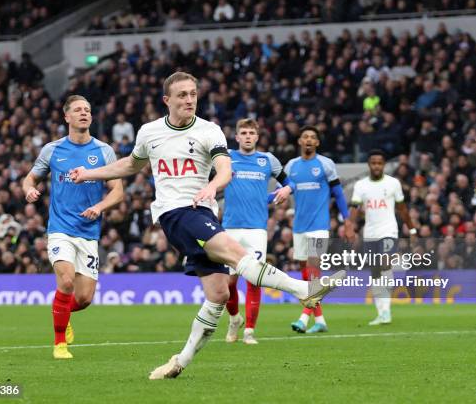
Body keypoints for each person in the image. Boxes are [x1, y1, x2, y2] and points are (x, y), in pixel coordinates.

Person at [69, 72, 345, 379]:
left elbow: (225, 170)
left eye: (193, 94)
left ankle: (179, 361)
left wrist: (213, 186)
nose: (189, 100)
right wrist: (89, 174)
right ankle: (306, 290)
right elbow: (131, 165)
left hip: (204, 211)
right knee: (237, 253)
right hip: (177, 213)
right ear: (167, 100)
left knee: (218, 295)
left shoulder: (209, 130)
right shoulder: (150, 132)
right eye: (182, 95)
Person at [22, 95, 124, 359]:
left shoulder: (104, 151)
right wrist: (30, 190)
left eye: (87, 110)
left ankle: (60, 312)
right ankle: (60, 345)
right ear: (66, 117)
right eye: (78, 110)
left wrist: (100, 207)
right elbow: (29, 178)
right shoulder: (52, 150)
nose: (84, 113)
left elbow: (117, 192)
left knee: (84, 299)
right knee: (66, 281)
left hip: (89, 233)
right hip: (60, 229)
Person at [222, 118, 294, 345]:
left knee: (255, 280)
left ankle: (250, 332)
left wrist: (286, 189)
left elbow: (288, 181)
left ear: (257, 137)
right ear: (236, 137)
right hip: (230, 228)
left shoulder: (267, 160)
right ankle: (235, 319)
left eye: (251, 133)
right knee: (227, 284)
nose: (247, 137)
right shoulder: (226, 158)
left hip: (256, 230)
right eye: (243, 133)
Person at [284, 126, 352, 334]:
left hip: (319, 226)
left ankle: (304, 318)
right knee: (307, 276)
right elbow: (282, 191)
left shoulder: (325, 164)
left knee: (313, 272)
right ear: (299, 141)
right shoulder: (291, 167)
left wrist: (347, 220)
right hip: (299, 227)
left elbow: (339, 194)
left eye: (313, 137)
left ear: (317, 143)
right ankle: (320, 320)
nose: (309, 140)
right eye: (305, 137)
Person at [347, 149, 417, 325]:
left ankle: (386, 312)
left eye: (379, 163)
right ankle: (382, 311)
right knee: (376, 272)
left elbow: (402, 209)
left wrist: (412, 229)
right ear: (369, 164)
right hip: (370, 232)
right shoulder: (361, 185)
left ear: (383, 165)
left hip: (389, 230)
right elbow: (355, 208)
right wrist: (350, 226)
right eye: (373, 163)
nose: (376, 166)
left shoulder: (393, 183)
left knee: (386, 262)